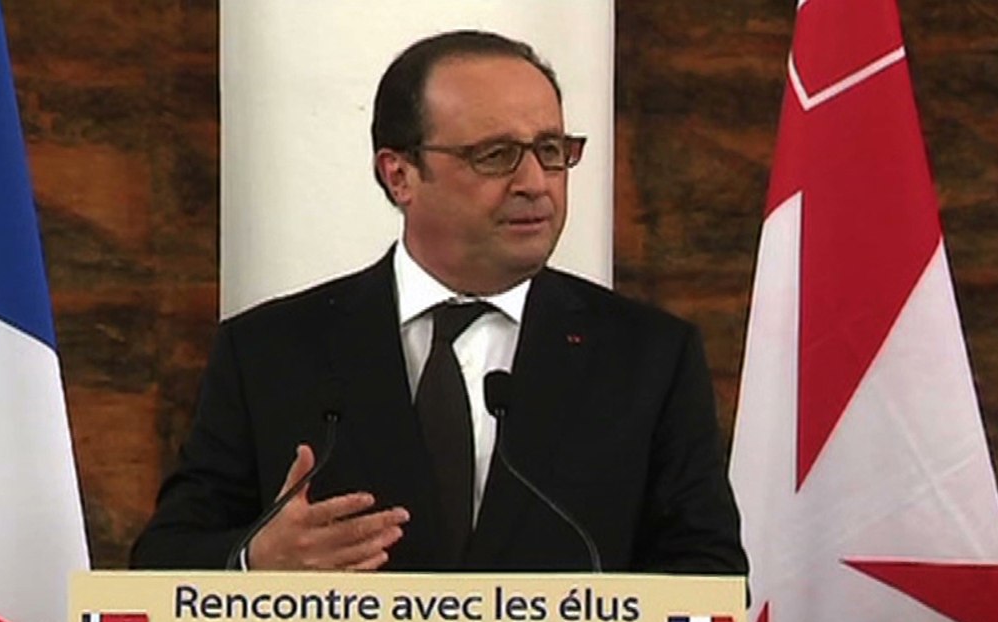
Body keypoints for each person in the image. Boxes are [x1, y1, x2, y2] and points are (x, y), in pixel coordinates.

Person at [131, 30, 747, 574]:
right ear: (399, 174)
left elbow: (707, 572)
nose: (535, 183)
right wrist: (254, 560)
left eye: (551, 151)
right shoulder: (270, 351)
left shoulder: (647, 356)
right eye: (496, 156)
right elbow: (163, 559)